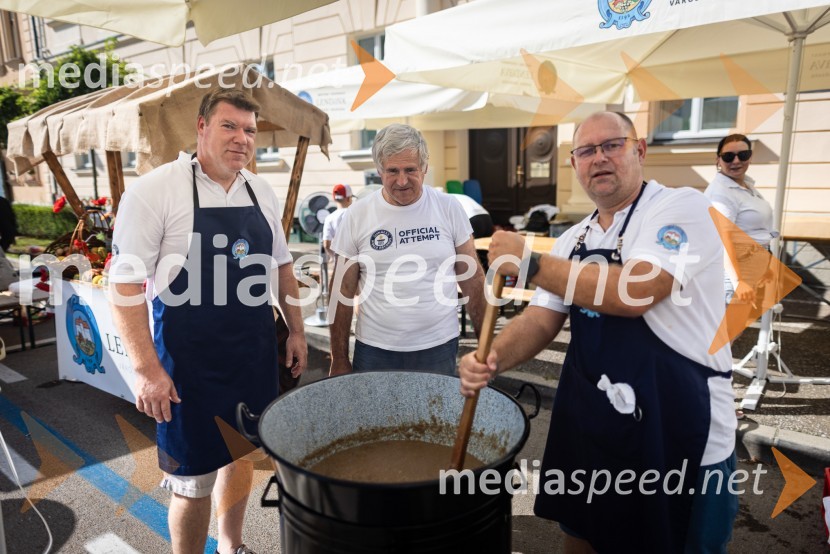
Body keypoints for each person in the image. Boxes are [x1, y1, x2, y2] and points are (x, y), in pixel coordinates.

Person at [459, 111, 738, 553]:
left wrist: (530, 261)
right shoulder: (574, 239)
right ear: (574, 163)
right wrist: (491, 357)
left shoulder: (682, 206)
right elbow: (540, 320)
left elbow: (636, 291)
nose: (599, 158)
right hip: (593, 429)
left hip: (679, 432)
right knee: (582, 537)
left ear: (639, 149)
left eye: (612, 145)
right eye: (586, 151)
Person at [109, 88, 307, 554]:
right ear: (201, 127)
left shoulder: (260, 189)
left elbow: (281, 266)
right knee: (190, 481)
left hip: (252, 354)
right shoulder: (155, 190)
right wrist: (146, 370)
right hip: (188, 366)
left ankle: (230, 546)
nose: (242, 138)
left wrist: (296, 330)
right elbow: (123, 287)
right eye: (230, 126)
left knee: (239, 454)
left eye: (250, 130)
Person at [329, 123, 486, 376]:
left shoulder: (448, 208)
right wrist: (338, 358)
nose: (402, 181)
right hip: (375, 350)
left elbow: (472, 279)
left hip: (438, 346)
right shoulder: (357, 214)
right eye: (392, 171)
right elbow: (342, 289)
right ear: (379, 170)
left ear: (424, 167)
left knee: (433, 417)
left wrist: (486, 344)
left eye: (410, 169)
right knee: (374, 417)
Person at [704, 134, 775, 338]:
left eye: (742, 154)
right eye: (728, 157)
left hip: (752, 264)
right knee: (723, 337)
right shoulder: (721, 192)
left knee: (729, 335)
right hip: (734, 270)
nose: (736, 161)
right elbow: (723, 239)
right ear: (718, 160)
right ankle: (710, 371)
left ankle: (715, 370)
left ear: (750, 157)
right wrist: (738, 281)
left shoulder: (746, 186)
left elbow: (758, 230)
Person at [322, 183, 353, 261]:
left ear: (334, 199)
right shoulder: (356, 214)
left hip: (340, 260)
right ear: (349, 198)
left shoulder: (329, 218)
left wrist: (333, 257)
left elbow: (326, 245)